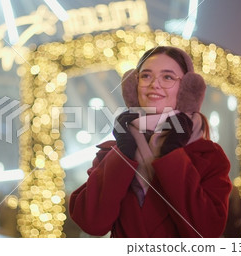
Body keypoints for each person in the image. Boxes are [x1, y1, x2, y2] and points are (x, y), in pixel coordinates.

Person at [69, 46, 232, 237]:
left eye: (168, 77)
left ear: (186, 90)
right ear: (133, 86)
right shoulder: (110, 154)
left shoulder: (209, 156)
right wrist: (123, 154)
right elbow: (92, 223)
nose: (155, 84)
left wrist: (172, 155)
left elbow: (206, 231)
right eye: (146, 76)